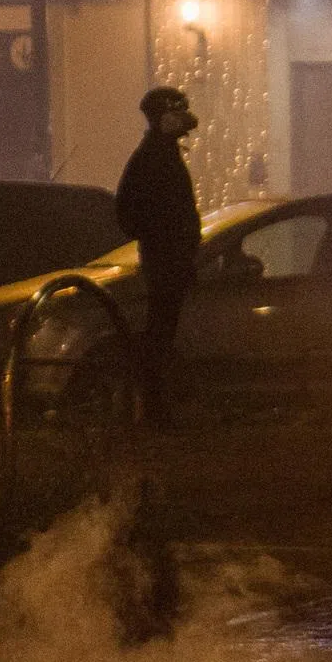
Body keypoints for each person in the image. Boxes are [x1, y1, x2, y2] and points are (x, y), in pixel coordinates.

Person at [115, 86, 201, 425]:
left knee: (162, 334)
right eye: (176, 113)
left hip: (170, 259)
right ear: (162, 117)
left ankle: (155, 408)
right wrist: (163, 240)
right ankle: (152, 411)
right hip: (165, 261)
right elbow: (132, 212)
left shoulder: (162, 154)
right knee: (159, 336)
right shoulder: (153, 159)